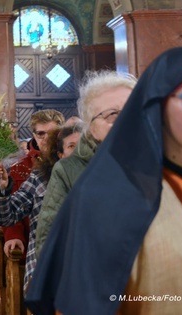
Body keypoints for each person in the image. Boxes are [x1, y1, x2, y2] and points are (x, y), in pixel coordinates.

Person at [27, 47, 182, 314]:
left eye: (136, 109)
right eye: (113, 115)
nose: (130, 121)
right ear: (90, 127)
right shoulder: (90, 187)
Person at [34, 71, 136, 255]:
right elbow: (50, 241)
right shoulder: (68, 170)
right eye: (112, 115)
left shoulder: (166, 162)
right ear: (91, 126)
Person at [0, 123, 82, 290]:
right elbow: (6, 216)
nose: (78, 151)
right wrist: (1, 189)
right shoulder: (40, 178)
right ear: (60, 154)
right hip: (44, 267)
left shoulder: (103, 179)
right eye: (71, 146)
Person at [1, 110, 64, 260]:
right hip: (34, 244)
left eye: (52, 133)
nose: (47, 139)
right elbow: (12, 208)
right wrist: (13, 236)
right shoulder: (20, 169)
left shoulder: (73, 161)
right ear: (34, 135)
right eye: (41, 134)